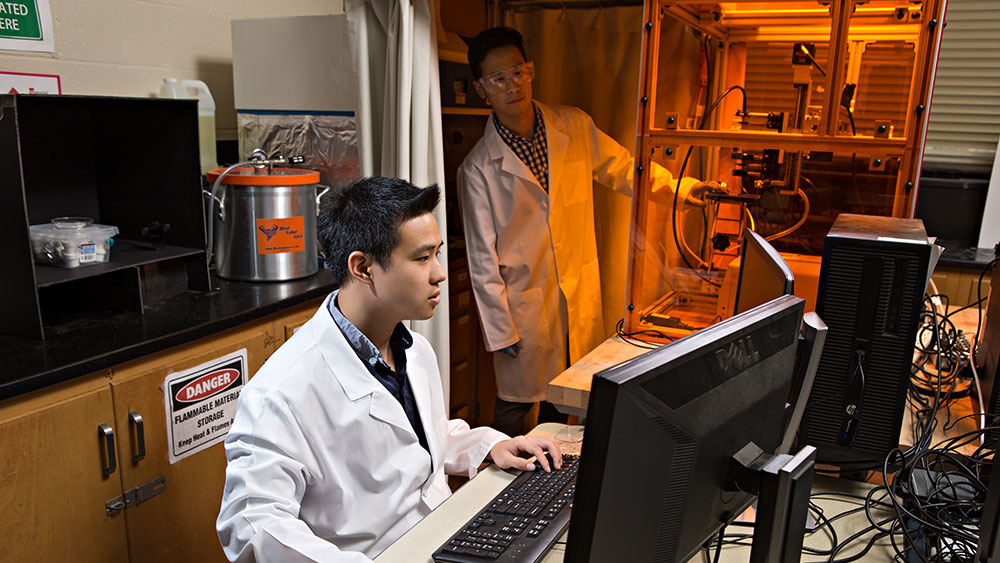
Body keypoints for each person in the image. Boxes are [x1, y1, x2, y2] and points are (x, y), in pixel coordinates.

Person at [216, 176, 562, 563]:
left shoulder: (414, 350)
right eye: (422, 257)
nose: (440, 273)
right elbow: (252, 524)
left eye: (438, 254)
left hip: (444, 536)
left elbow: (420, 442)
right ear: (363, 268)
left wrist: (487, 445)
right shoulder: (280, 392)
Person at [457, 27, 685, 436]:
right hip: (524, 308)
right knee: (513, 406)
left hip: (576, 296)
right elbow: (481, 259)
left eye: (517, 72)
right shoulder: (477, 168)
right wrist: (500, 329)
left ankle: (549, 479)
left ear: (531, 71)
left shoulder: (573, 126)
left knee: (561, 404)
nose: (512, 86)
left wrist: (685, 188)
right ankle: (500, 488)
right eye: (498, 79)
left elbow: (623, 170)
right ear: (482, 89)